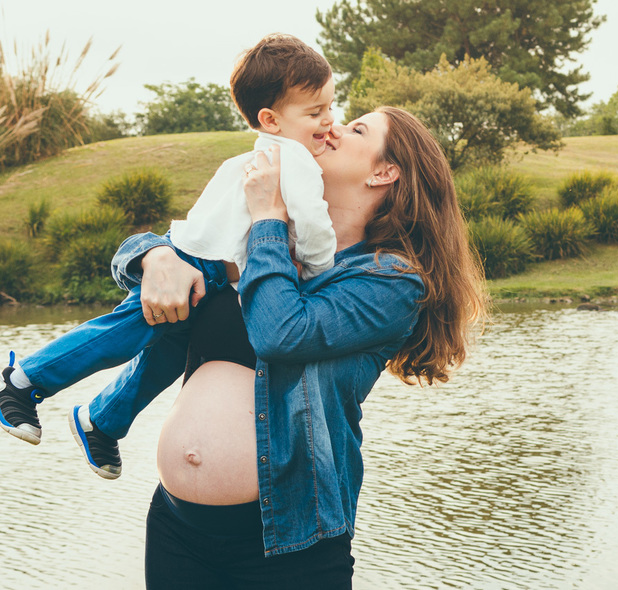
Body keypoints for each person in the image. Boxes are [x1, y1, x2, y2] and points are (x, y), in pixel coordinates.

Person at [118, 107, 486, 588]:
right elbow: (174, 247)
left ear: (384, 172)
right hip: (177, 529)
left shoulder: (390, 281)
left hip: (289, 546)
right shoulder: (271, 235)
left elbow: (281, 332)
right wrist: (153, 254)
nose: (333, 127)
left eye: (357, 130)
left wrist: (267, 218)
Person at [0, 34, 338, 479]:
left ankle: (101, 421)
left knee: (167, 354)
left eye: (330, 106)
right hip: (195, 262)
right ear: (271, 118)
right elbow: (315, 224)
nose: (330, 120)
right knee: (118, 335)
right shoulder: (296, 162)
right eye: (316, 112)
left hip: (200, 261)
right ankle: (20, 382)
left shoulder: (258, 155)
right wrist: (322, 265)